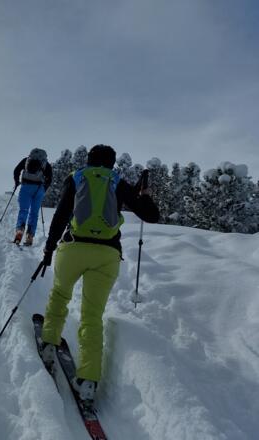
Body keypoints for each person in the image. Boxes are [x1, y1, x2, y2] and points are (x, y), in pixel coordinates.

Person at [39, 144, 159, 404]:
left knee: (60, 294)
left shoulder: (77, 176)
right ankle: (88, 381)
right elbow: (151, 216)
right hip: (107, 256)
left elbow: (61, 214)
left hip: (73, 249)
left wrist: (49, 249)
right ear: (112, 163)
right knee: (92, 316)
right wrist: (144, 194)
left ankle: (49, 344)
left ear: (89, 160)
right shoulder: (118, 181)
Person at [13, 148, 53, 245]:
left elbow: (16, 170)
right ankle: (30, 235)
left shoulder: (26, 160)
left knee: (23, 210)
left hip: (25, 187)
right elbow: (49, 178)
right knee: (34, 213)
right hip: (39, 189)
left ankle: (19, 231)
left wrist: (17, 181)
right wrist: (44, 189)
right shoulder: (45, 164)